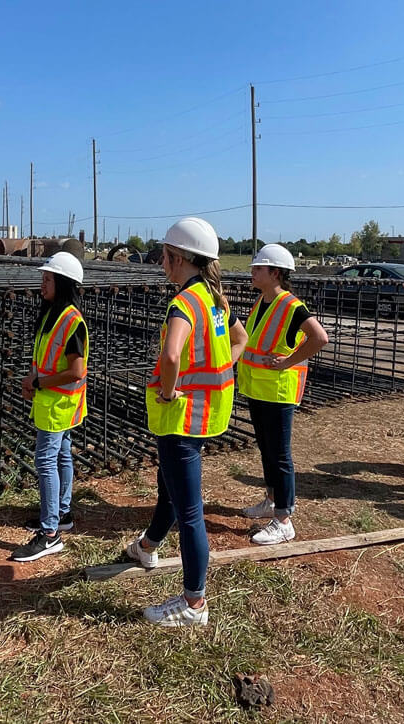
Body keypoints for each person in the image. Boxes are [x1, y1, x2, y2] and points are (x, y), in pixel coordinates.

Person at [126, 217, 248, 628]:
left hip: (181, 417)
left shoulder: (183, 303)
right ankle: (147, 546)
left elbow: (173, 355)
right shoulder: (214, 299)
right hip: (207, 412)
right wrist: (221, 370)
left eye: (164, 255)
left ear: (178, 258)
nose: (162, 262)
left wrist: (168, 390)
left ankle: (195, 603)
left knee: (190, 510)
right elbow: (240, 340)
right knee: (171, 490)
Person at [236, 243, 329, 545]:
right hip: (257, 388)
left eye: (258, 268)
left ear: (275, 273)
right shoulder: (262, 301)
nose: (253, 272)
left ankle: (284, 519)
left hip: (277, 391)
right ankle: (272, 500)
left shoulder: (291, 306)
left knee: (280, 455)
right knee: (266, 450)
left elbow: (320, 337)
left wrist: (288, 362)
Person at [11, 252, 89, 562]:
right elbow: (40, 357)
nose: (42, 284)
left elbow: (76, 371)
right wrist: (31, 381)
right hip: (50, 402)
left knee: (45, 461)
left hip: (59, 404)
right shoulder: (50, 315)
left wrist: (40, 384)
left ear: (63, 283)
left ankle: (49, 533)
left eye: (48, 279)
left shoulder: (72, 321)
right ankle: (63, 513)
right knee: (60, 455)